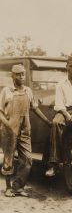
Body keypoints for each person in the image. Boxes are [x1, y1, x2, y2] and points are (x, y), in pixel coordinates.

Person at [0, 64, 51, 197]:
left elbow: (35, 108)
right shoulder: (6, 91)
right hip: (9, 130)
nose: (21, 76)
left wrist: (47, 122)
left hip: (25, 130)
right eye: (18, 74)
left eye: (23, 74)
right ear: (12, 76)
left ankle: (18, 187)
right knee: (8, 159)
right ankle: (8, 188)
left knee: (28, 160)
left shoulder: (28, 91)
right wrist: (7, 125)